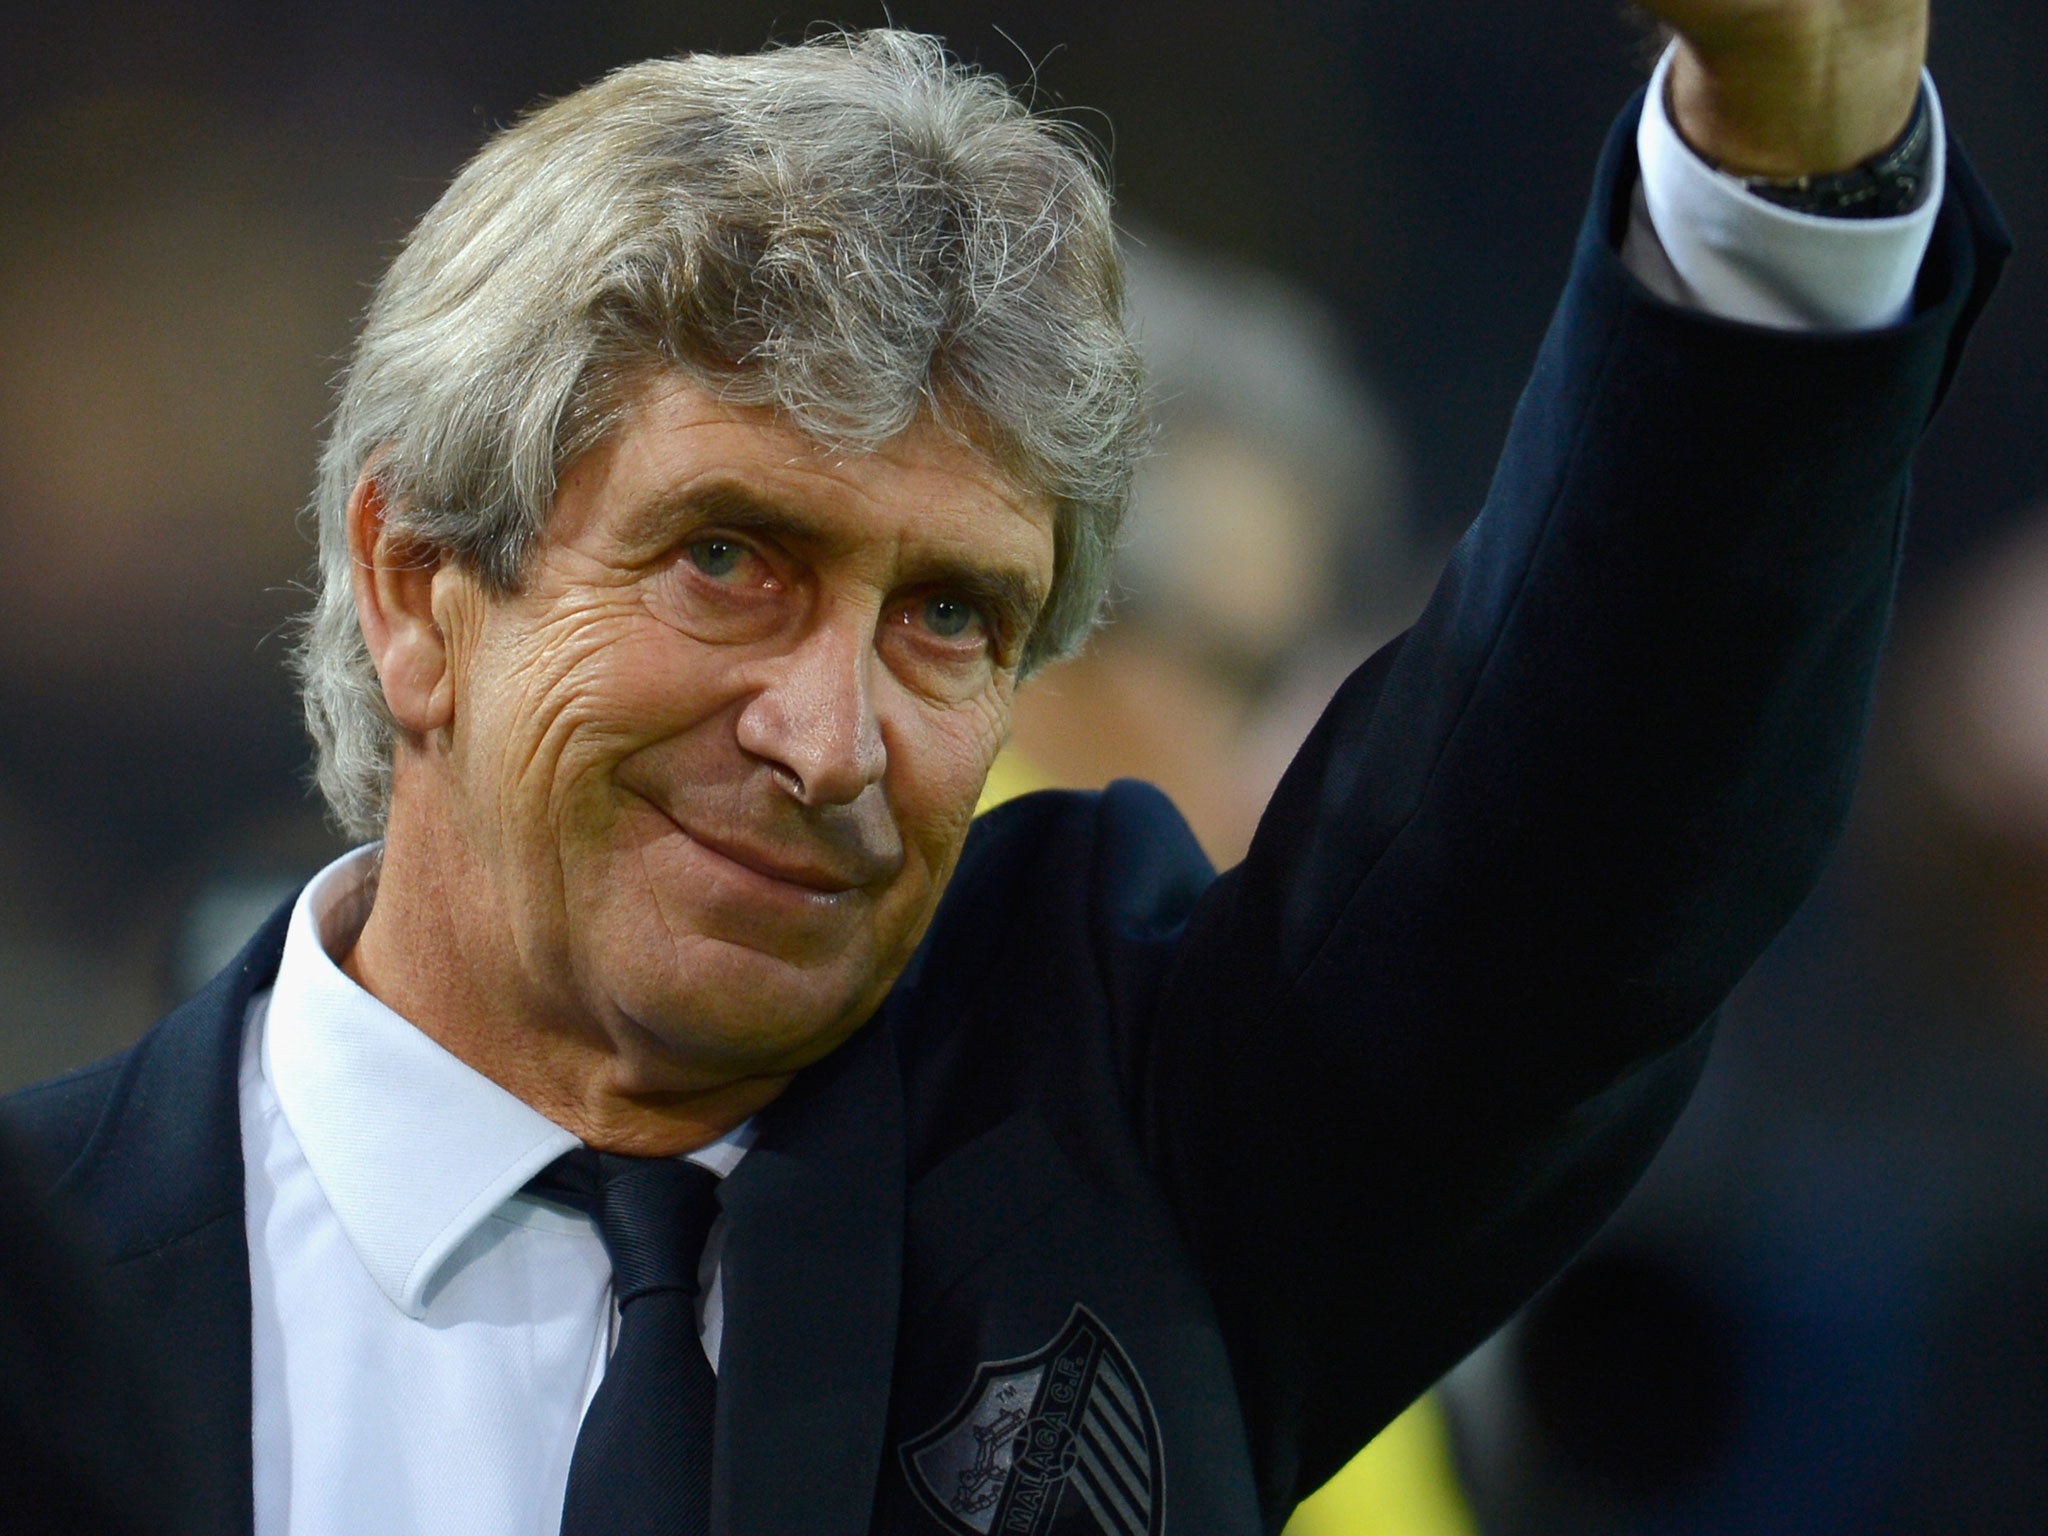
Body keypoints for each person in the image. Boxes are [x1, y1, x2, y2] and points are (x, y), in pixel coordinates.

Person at [2, 6, 2005, 1535]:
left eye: (950, 615)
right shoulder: (45, 1289)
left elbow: (1573, 837)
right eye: (726, 562)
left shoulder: (1131, 1139)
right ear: (419, 590)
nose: (829, 737)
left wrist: (1787, 154)